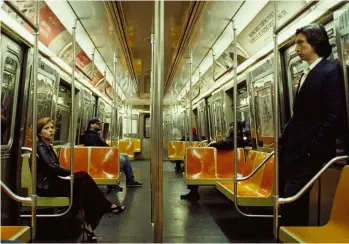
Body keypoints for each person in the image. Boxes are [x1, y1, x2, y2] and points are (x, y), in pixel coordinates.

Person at [279, 24, 345, 226]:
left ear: (315, 43)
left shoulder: (330, 71)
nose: (296, 48)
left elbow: (333, 116)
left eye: (301, 42)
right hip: (296, 150)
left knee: (292, 199)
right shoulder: (305, 74)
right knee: (290, 200)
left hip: (311, 153)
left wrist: (311, 149)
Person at [36, 117, 126, 242]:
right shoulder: (41, 147)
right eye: (46, 128)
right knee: (83, 177)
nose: (51, 130)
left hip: (54, 182)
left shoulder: (47, 146)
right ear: (40, 133)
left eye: (52, 127)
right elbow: (53, 167)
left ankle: (88, 224)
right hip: (47, 187)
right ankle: (105, 207)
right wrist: (71, 173)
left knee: (83, 189)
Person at [180, 121, 246, 200]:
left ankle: (193, 192)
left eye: (233, 127)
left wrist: (214, 144)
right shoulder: (233, 137)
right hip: (223, 162)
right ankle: (193, 191)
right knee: (195, 166)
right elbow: (224, 142)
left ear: (238, 129)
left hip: (228, 165)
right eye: (230, 127)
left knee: (197, 166)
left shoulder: (238, 138)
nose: (231, 129)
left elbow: (227, 144)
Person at [83, 117, 142, 187]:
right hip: (100, 157)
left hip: (105, 154)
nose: (100, 126)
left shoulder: (96, 134)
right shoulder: (90, 136)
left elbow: (103, 145)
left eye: (100, 124)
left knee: (125, 155)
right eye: (97, 124)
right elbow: (96, 150)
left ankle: (130, 180)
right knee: (122, 159)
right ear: (91, 125)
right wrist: (109, 151)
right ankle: (112, 181)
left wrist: (111, 150)